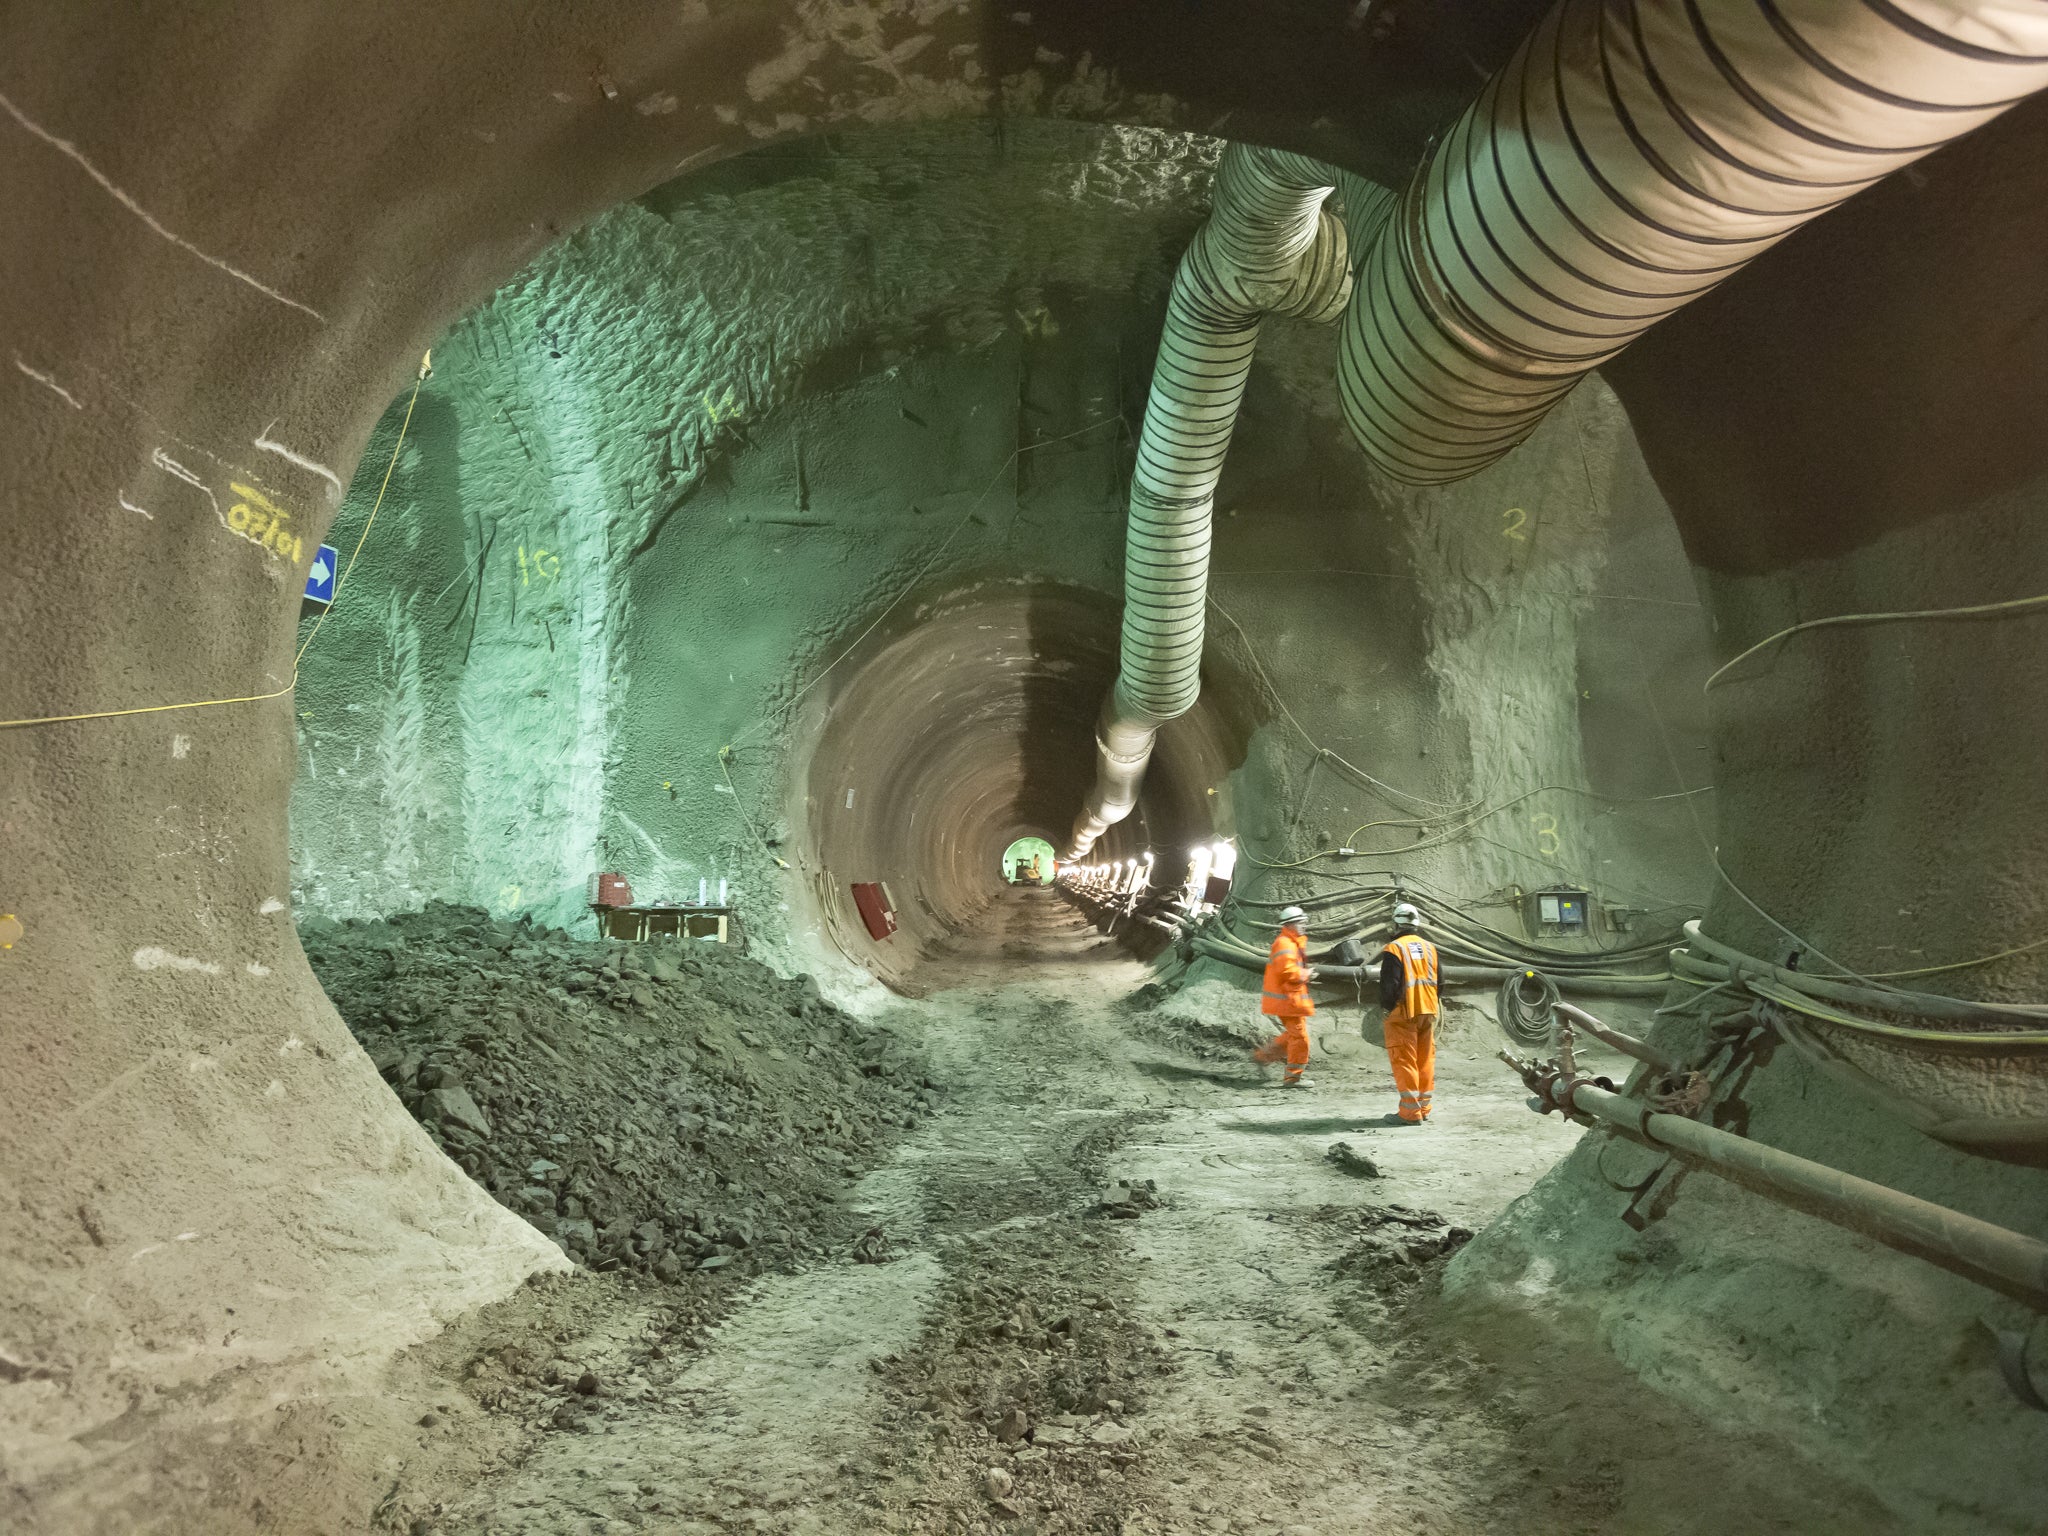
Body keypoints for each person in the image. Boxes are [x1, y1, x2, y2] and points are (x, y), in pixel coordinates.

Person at [1378, 901, 1440, 1123]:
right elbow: (1440, 982)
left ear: (1395, 925)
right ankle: (1423, 1109)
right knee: (1424, 1061)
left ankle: (1409, 1113)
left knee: (1405, 1060)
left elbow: (1389, 985)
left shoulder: (1394, 949)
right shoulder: (1430, 948)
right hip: (1428, 1010)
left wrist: (1387, 1008)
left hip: (1404, 1013)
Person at [1253, 905, 1316, 1088]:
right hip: (1287, 1000)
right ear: (1290, 925)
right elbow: (1287, 972)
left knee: (1293, 1035)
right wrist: (1306, 974)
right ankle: (1293, 1078)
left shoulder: (1291, 942)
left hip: (1290, 999)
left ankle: (1263, 1056)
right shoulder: (1285, 944)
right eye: (1301, 922)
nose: (1304, 925)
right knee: (1300, 1038)